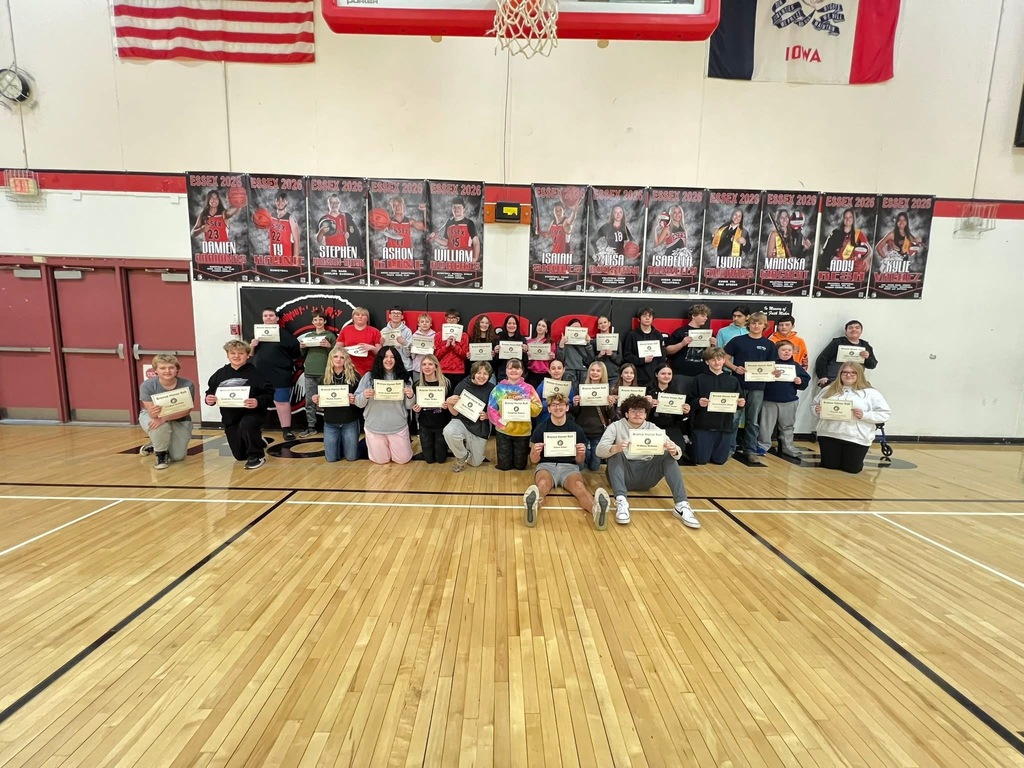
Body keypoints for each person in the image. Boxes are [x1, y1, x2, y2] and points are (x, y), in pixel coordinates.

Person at [595, 395, 699, 529]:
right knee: (615, 453)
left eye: (641, 411)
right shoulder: (615, 426)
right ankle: (621, 501)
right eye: (633, 411)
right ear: (626, 413)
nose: (637, 414)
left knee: (668, 455)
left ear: (645, 414)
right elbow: (599, 451)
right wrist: (616, 447)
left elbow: (677, 452)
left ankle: (681, 505)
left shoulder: (653, 428)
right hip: (623, 473)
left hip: (647, 476)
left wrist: (674, 451)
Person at [523, 393, 612, 530]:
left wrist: (580, 453)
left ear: (566, 408)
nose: (557, 407)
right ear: (549, 409)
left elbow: (579, 461)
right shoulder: (541, 428)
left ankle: (596, 510)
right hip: (546, 466)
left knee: (579, 486)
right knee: (543, 484)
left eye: (561, 405)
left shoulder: (576, 429)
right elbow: (534, 461)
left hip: (569, 467)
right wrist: (534, 452)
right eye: (554, 405)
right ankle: (532, 507)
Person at [204, 340, 274, 470]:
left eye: (240, 353)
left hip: (252, 414)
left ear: (248, 355)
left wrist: (258, 401)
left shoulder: (257, 373)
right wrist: (209, 399)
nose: (236, 356)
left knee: (247, 425)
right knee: (240, 456)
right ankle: (257, 440)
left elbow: (269, 394)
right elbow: (210, 391)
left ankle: (257, 455)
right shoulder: (220, 374)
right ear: (227, 355)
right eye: (232, 353)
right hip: (230, 417)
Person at [813, 363, 891, 474]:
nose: (848, 375)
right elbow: (814, 405)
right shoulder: (828, 390)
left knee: (852, 469)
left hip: (856, 438)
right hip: (828, 435)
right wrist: (817, 410)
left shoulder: (871, 393)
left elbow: (885, 414)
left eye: (853, 372)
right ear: (840, 374)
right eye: (845, 372)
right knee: (829, 468)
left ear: (859, 374)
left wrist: (864, 415)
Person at [724, 311, 777, 464]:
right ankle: (729, 449)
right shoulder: (737, 341)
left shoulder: (769, 344)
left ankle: (750, 450)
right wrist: (735, 368)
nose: (756, 326)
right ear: (749, 324)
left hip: (758, 387)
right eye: (753, 323)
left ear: (764, 326)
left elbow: (772, 367)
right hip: (737, 385)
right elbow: (724, 359)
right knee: (733, 418)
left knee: (752, 420)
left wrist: (775, 373)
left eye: (759, 323)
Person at [354, 347, 414, 465]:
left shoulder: (405, 377)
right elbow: (358, 403)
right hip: (374, 426)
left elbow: (409, 406)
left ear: (397, 360)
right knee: (381, 461)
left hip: (397, 425)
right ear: (380, 359)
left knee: (403, 460)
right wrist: (364, 395)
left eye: (392, 357)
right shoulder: (368, 377)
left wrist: (411, 396)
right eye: (385, 357)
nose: (389, 360)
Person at [687, 348, 746, 466]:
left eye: (719, 359)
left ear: (724, 360)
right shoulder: (699, 379)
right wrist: (698, 402)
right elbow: (690, 400)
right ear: (707, 362)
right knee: (701, 460)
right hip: (704, 425)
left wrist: (741, 404)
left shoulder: (732, 380)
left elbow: (739, 401)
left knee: (720, 461)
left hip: (724, 425)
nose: (717, 362)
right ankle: (689, 445)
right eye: (713, 360)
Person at [250, 307, 300, 441]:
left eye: (271, 315)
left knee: (281, 402)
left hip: (281, 374)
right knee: (258, 402)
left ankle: (287, 430)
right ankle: (255, 429)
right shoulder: (257, 335)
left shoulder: (285, 335)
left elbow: (296, 353)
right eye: (265, 316)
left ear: (277, 318)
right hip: (260, 375)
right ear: (262, 318)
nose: (268, 318)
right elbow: (249, 354)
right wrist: (253, 345)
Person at [138, 354, 195, 470]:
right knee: (158, 425)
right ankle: (161, 456)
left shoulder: (187, 385)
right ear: (155, 371)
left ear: (177, 369)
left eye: (171, 367)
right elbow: (153, 414)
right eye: (162, 368)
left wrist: (166, 417)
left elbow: (187, 410)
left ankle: (154, 444)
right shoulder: (147, 386)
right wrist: (160, 417)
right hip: (154, 416)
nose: (167, 371)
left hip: (180, 419)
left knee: (178, 456)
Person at [487, 359, 542, 471]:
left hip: (523, 431)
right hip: (503, 431)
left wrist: (525, 402)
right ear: (506, 370)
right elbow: (491, 409)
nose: (513, 370)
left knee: (520, 466)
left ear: (522, 371)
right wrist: (502, 423)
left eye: (517, 368)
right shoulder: (498, 389)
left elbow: (538, 409)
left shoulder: (528, 388)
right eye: (510, 368)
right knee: (504, 466)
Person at [759, 340, 809, 457]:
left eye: (789, 350)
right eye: (783, 350)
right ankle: (762, 446)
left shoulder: (796, 366)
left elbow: (805, 382)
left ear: (793, 352)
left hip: (789, 401)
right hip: (769, 400)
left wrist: (800, 381)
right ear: (777, 351)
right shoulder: (770, 365)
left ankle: (788, 446)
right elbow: (760, 378)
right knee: (765, 426)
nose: (786, 352)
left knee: (787, 426)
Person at [443, 361, 496, 473]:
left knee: (475, 463)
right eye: (479, 373)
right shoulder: (462, 385)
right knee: (449, 431)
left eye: (485, 374)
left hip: (480, 426)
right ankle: (462, 455)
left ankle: (468, 450)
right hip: (461, 421)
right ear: (473, 373)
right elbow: (455, 413)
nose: (482, 376)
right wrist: (448, 403)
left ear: (489, 375)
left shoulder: (492, 389)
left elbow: (497, 411)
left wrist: (487, 416)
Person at [312, 347, 360, 463]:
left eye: (342, 357)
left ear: (346, 360)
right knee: (331, 459)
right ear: (330, 359)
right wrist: (316, 400)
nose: (338, 359)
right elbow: (320, 404)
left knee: (351, 457)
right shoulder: (324, 378)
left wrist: (355, 398)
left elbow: (361, 400)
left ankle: (358, 445)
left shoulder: (355, 377)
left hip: (349, 421)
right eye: (335, 356)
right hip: (331, 423)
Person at [299, 311, 336, 437]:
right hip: (310, 372)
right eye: (316, 320)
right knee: (310, 401)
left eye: (321, 319)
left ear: (325, 321)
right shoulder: (309, 336)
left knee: (328, 400)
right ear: (312, 322)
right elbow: (303, 355)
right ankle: (311, 427)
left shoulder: (330, 336)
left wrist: (329, 346)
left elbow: (336, 355)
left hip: (325, 372)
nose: (318, 322)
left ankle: (330, 426)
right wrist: (302, 347)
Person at [646, 361, 691, 463]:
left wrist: (685, 411)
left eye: (669, 374)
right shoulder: (648, 391)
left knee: (679, 449)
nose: (666, 376)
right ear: (657, 375)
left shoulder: (676, 393)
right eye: (663, 373)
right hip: (652, 425)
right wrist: (647, 405)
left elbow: (681, 419)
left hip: (670, 426)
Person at [572, 361, 613, 471]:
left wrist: (610, 405)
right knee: (579, 466)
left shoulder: (607, 390)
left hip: (598, 431)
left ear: (602, 373)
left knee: (594, 466)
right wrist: (575, 404)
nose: (595, 373)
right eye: (593, 370)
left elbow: (610, 415)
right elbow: (575, 413)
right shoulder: (581, 388)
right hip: (582, 429)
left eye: (598, 371)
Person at [413, 354, 452, 464]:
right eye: (424, 364)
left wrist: (447, 405)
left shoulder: (446, 383)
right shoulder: (417, 385)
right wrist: (416, 409)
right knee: (429, 460)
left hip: (442, 425)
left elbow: (453, 405)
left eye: (430, 364)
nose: (427, 367)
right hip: (425, 425)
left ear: (436, 367)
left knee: (441, 459)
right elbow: (416, 406)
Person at [815, 320, 878, 386]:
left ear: (861, 331)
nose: (854, 329)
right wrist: (822, 376)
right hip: (834, 380)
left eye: (857, 328)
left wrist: (867, 358)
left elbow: (872, 365)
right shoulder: (837, 343)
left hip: (856, 382)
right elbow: (822, 359)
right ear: (846, 332)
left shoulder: (865, 345)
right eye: (850, 328)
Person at [665, 303, 713, 389]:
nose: (706, 318)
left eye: (706, 316)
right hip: (681, 374)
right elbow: (668, 350)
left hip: (701, 375)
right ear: (693, 316)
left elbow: (712, 355)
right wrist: (682, 343)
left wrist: (713, 345)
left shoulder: (708, 333)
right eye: (702, 315)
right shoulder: (680, 332)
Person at [622, 307, 667, 387]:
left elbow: (662, 356)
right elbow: (627, 355)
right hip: (638, 376)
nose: (647, 318)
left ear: (653, 319)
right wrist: (642, 360)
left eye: (650, 316)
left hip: (654, 377)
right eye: (644, 316)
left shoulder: (657, 335)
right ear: (639, 319)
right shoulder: (632, 335)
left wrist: (658, 372)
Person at [428, 196, 480, 261]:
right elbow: (447, 242)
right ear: (451, 209)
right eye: (454, 207)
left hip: (465, 259)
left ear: (464, 209)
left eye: (459, 207)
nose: (456, 209)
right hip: (452, 259)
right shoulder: (449, 223)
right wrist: (435, 238)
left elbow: (476, 242)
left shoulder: (469, 223)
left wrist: (475, 259)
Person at [820, 208, 871, 274]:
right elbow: (826, 251)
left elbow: (869, 250)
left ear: (853, 219)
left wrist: (867, 258)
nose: (848, 219)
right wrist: (832, 257)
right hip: (836, 266)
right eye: (845, 217)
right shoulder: (836, 233)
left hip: (851, 266)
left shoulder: (858, 233)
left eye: (850, 217)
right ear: (843, 219)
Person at [338, 306, 382, 378]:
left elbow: (381, 353)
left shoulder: (375, 331)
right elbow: (337, 348)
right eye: (357, 315)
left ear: (367, 318)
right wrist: (343, 350)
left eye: (363, 315)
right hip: (349, 368)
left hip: (369, 370)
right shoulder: (346, 330)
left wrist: (371, 348)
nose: (360, 317)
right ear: (353, 317)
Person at [434, 308, 469, 379]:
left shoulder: (464, 336)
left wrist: (454, 346)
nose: (451, 320)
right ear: (446, 319)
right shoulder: (438, 335)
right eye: (449, 318)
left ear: (458, 319)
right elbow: (436, 356)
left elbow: (465, 356)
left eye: (454, 318)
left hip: (458, 371)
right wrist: (446, 346)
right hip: (442, 370)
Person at [269, 192, 301, 266]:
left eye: (283, 200)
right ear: (275, 201)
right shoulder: (270, 216)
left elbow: (297, 240)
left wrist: (295, 259)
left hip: (286, 257)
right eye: (278, 200)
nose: (280, 203)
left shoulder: (290, 218)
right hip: (273, 256)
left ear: (287, 202)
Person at [557, 317, 592, 385]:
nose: (576, 330)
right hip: (569, 372)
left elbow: (591, 358)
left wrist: (588, 343)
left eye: (578, 328)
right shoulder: (563, 342)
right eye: (573, 328)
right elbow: (559, 360)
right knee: (570, 393)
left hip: (583, 372)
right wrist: (561, 344)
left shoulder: (585, 342)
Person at [589, 315, 622, 385]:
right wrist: (599, 355)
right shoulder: (594, 342)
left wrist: (612, 354)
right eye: (600, 323)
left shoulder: (616, 340)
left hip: (613, 376)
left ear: (609, 324)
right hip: (598, 377)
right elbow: (589, 361)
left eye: (605, 322)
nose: (603, 325)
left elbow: (621, 360)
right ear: (598, 326)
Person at [526, 317, 556, 389]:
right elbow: (525, 361)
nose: (540, 327)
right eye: (539, 325)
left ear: (547, 330)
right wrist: (526, 355)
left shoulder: (550, 343)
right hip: (531, 374)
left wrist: (553, 357)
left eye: (543, 326)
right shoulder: (529, 342)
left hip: (545, 374)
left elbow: (554, 361)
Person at [495, 314, 526, 382]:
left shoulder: (522, 339)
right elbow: (496, 362)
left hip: (517, 375)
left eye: (514, 323)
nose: (511, 325)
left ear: (517, 326)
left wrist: (525, 352)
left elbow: (525, 362)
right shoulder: (499, 338)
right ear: (505, 325)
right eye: (509, 323)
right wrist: (496, 353)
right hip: (502, 374)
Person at [382, 305, 414, 371]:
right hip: (389, 367)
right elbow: (382, 353)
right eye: (393, 313)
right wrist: (382, 344)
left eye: (398, 313)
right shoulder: (384, 331)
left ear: (402, 316)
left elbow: (408, 355)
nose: (396, 315)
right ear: (389, 316)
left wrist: (405, 343)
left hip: (404, 367)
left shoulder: (407, 331)